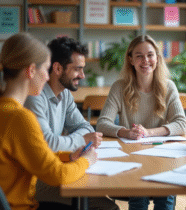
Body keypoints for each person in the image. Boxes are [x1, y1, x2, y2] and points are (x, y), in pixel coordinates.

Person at [0, 32, 97, 210]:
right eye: (45, 69)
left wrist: (68, 156)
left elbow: (35, 154)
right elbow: (57, 175)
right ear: (30, 71)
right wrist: (87, 161)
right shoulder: (20, 118)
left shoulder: (6, 110)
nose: (47, 76)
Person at [24, 36, 118, 210]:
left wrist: (73, 140)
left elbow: (85, 127)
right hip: (34, 180)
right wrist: (82, 140)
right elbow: (48, 143)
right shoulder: (35, 96)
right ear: (58, 68)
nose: (82, 75)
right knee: (108, 207)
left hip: (53, 167)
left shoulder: (65, 94)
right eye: (77, 69)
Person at [96, 35, 186, 210]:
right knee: (138, 195)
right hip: (131, 159)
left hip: (162, 157)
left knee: (166, 196)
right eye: (139, 56)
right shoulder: (119, 87)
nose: (145, 60)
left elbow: (181, 124)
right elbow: (102, 124)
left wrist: (149, 132)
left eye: (150, 55)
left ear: (157, 58)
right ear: (130, 59)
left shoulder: (168, 87)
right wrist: (125, 132)